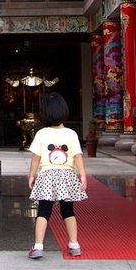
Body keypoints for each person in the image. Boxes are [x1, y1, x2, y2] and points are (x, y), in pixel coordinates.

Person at [27, 92, 88, 259]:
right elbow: (77, 156)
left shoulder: (41, 133)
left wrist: (31, 175)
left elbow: (36, 158)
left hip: (47, 175)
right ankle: (74, 244)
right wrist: (82, 175)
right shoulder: (71, 133)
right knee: (68, 210)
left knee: (44, 211)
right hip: (67, 175)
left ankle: (38, 246)